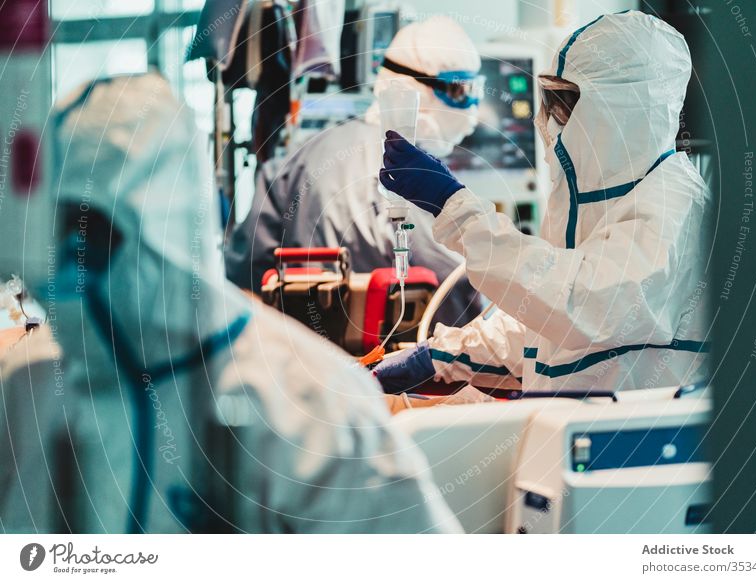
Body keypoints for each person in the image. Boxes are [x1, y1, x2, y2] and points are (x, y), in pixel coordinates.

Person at [0, 72, 461, 533]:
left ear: (166, 229)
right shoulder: (27, 389)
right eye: (53, 231)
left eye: (91, 236)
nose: (62, 268)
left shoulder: (308, 403)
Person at [374, 11, 711, 394]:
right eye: (550, 100)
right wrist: (440, 357)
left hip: (628, 447)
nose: (550, 120)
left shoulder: (675, 207)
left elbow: (580, 306)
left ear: (622, 109)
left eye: (565, 102)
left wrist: (455, 208)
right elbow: (544, 331)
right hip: (565, 431)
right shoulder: (594, 201)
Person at [224, 16, 484, 328]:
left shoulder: (303, 155)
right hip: (396, 358)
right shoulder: (414, 174)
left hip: (308, 352)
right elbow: (453, 284)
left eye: (477, 89)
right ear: (410, 89)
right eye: (458, 91)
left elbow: (246, 269)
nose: (472, 107)